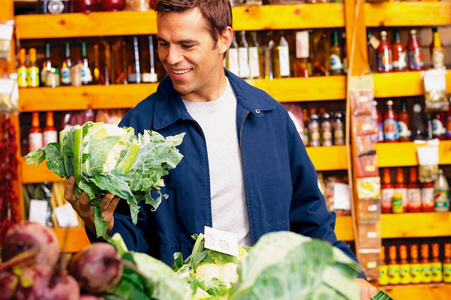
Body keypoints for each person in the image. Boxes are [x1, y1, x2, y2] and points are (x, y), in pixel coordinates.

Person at [64, 0, 377, 298]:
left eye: (187, 45)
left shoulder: (268, 116)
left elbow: (309, 216)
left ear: (224, 38)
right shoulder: (139, 128)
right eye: (163, 43)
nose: (171, 58)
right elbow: (133, 253)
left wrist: (352, 275)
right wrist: (98, 223)